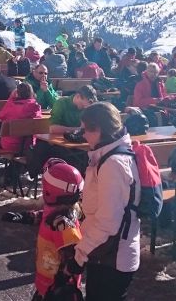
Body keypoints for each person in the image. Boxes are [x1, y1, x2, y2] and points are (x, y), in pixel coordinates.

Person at [73, 103, 140, 300]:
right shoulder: (107, 156)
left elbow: (108, 222)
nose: (83, 135)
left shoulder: (112, 164)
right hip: (106, 252)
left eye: (86, 129)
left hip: (113, 256)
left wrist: (80, 255)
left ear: (99, 130)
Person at [1, 159, 84, 300]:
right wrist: (24, 217)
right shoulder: (58, 212)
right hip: (46, 284)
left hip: (60, 290)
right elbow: (45, 217)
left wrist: (62, 281)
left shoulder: (64, 222)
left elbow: (77, 255)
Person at [0, 82, 43, 153]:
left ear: (17, 93)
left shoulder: (12, 106)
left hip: (10, 145)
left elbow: (0, 116)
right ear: (32, 93)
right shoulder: (36, 107)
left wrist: (11, 98)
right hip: (29, 145)